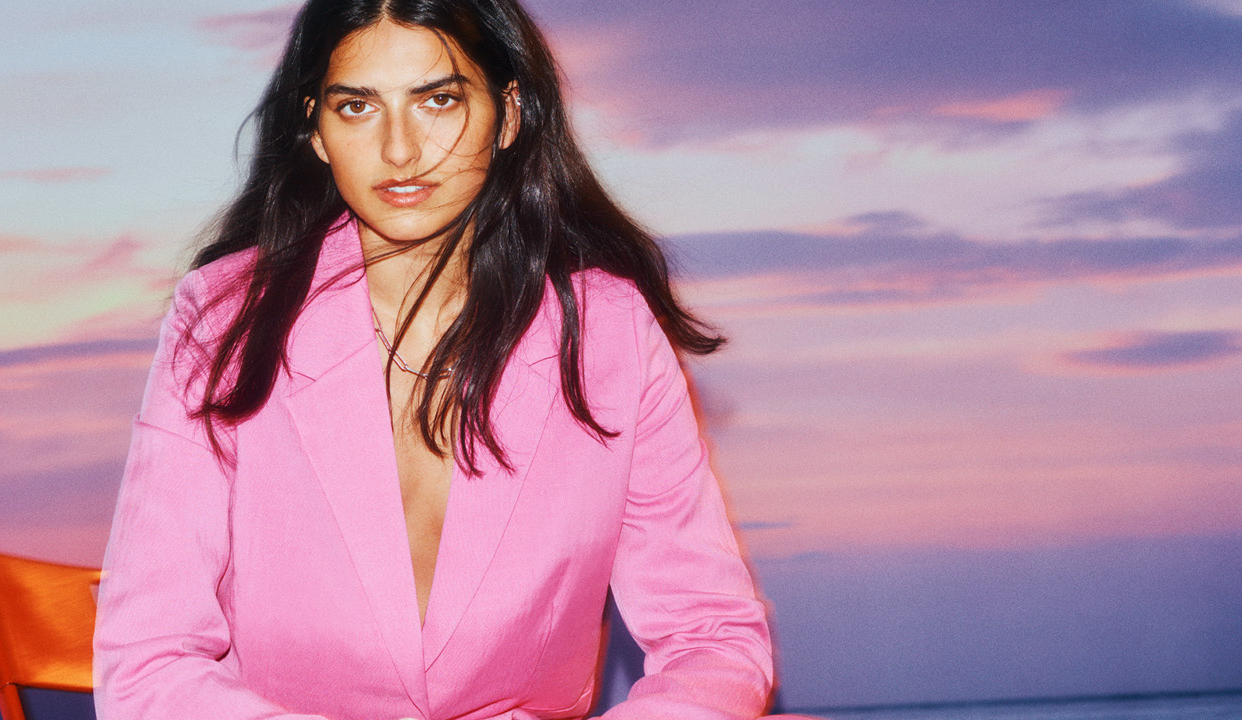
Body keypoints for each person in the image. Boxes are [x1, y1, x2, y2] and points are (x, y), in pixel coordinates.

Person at [95, 1, 811, 719]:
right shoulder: (224, 319)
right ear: (315, 129)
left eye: (438, 100)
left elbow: (712, 639)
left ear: (509, 113)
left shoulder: (608, 332)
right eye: (357, 107)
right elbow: (148, 665)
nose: (400, 150)